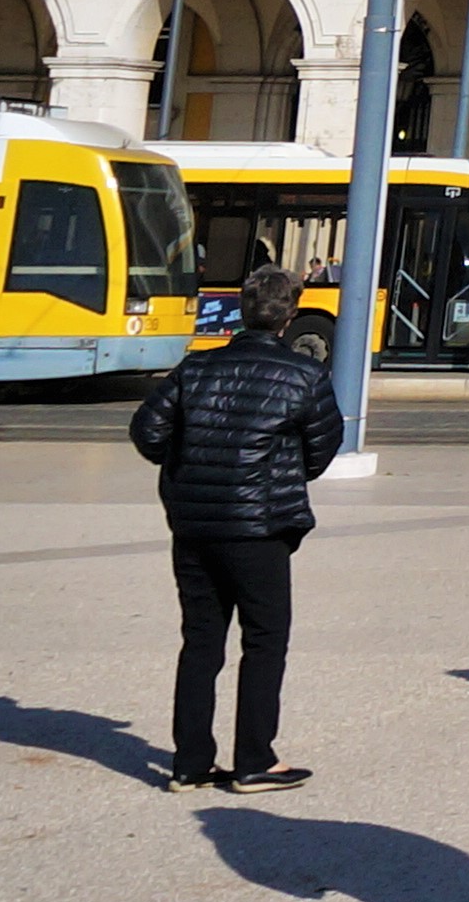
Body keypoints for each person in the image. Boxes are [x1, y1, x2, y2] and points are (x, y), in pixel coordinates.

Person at [127, 263, 343, 792]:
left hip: (195, 523)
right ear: (290, 315)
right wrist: (282, 473)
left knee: (201, 642)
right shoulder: (303, 375)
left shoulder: (195, 370)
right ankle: (254, 760)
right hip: (260, 526)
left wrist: (188, 465)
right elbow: (322, 446)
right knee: (265, 640)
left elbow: (147, 432)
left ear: (242, 312)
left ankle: (190, 763)